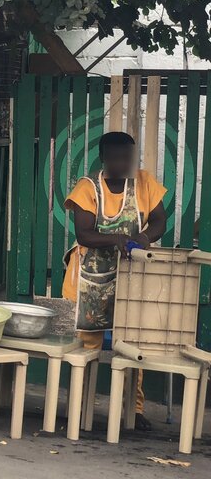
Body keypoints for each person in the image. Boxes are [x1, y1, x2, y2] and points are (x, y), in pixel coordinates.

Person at [62, 131, 167, 432]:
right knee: (86, 345)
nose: (124, 163)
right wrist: (119, 238)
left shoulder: (144, 183)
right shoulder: (88, 188)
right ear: (104, 159)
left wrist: (144, 237)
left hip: (130, 277)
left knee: (132, 342)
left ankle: (133, 410)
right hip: (89, 280)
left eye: (129, 158)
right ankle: (80, 408)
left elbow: (160, 220)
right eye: (117, 158)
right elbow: (85, 234)